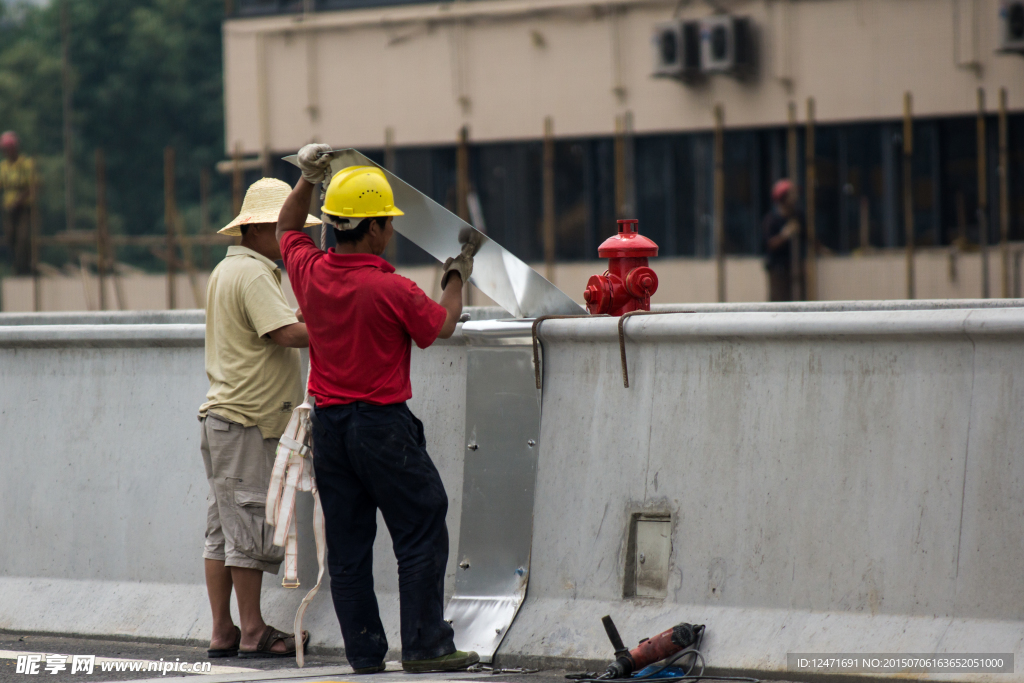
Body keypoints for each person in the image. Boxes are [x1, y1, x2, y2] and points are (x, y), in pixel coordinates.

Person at [275, 144, 477, 674]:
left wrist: (306, 180)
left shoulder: (311, 273)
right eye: (386, 221)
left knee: (347, 548)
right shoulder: (391, 288)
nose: (390, 229)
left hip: (332, 429)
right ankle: (426, 646)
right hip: (382, 427)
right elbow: (444, 324)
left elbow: (285, 231)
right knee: (420, 522)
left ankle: (365, 654)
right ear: (370, 229)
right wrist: (456, 276)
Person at [199, 178, 320, 659]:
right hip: (248, 420)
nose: (291, 237)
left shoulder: (226, 271)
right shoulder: (253, 273)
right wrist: (343, 324)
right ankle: (251, 631)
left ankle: (223, 630)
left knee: (223, 531)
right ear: (257, 229)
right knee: (248, 528)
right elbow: (287, 334)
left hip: (226, 418)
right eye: (283, 227)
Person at [762, 178, 806, 302]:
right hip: (778, 269)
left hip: (796, 266)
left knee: (800, 301)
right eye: (791, 194)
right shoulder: (772, 220)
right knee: (780, 302)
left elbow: (807, 237)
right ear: (782, 198)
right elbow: (769, 244)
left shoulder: (797, 217)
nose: (795, 197)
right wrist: (785, 235)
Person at [0, 131, 34, 275]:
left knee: (23, 237)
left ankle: (23, 267)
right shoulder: (3, 167)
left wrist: (18, 201)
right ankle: (17, 264)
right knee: (10, 238)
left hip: (24, 208)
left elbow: (31, 186)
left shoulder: (25, 164)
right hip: (9, 209)